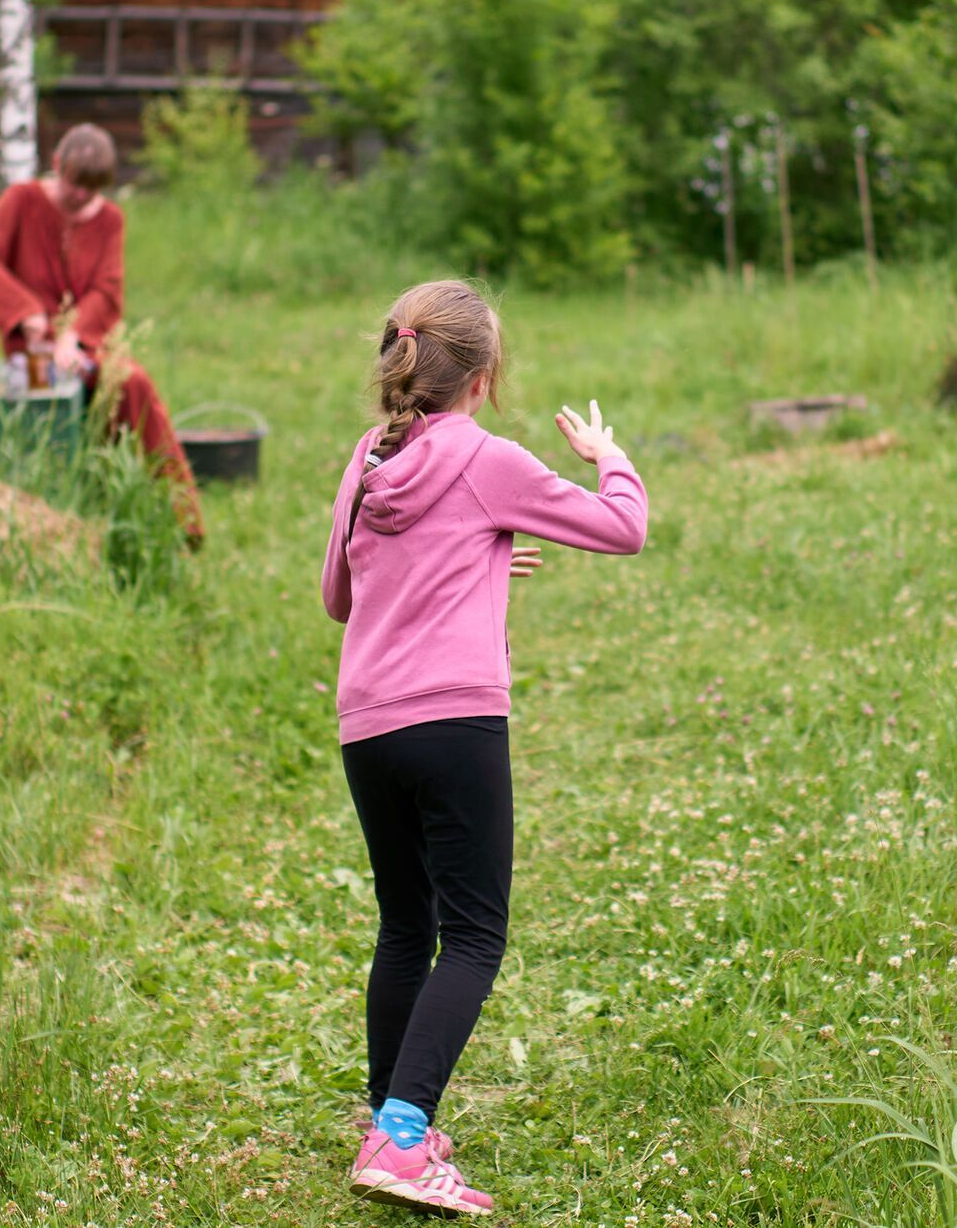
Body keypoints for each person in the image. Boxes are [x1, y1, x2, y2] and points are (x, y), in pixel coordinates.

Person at [320, 280, 649, 1217]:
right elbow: (623, 527)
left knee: (403, 926)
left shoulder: (365, 458)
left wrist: (483, 551)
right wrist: (609, 454)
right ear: (486, 374)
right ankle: (403, 1133)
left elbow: (342, 598)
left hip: (368, 726)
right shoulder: (487, 458)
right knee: (473, 935)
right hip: (454, 724)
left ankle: (389, 1120)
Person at [0, 123, 203, 545]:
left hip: (85, 348)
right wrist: (25, 313)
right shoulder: (21, 201)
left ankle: (181, 517)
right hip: (31, 354)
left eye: (91, 191)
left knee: (132, 384)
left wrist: (73, 336)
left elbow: (107, 290)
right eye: (74, 185)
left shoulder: (110, 220)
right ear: (57, 165)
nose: (80, 197)